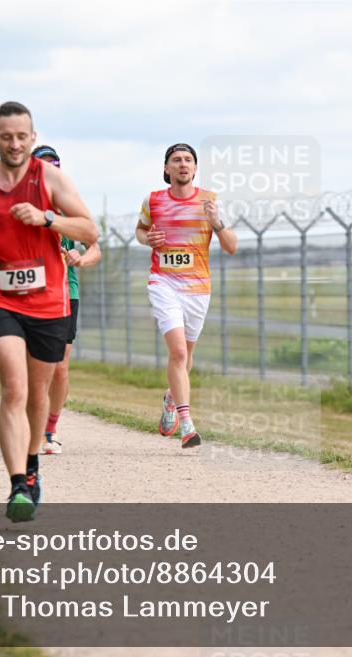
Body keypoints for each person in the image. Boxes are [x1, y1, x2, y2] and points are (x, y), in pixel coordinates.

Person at [0, 102, 98, 522]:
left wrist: (46, 218)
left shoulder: (50, 179)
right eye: (6, 136)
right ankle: (17, 483)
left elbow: (89, 230)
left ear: (32, 139)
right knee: (14, 389)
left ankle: (31, 464)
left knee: (38, 394)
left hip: (50, 301)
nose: (14, 143)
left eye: (21, 136)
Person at [136, 143, 238, 447]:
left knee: (186, 356)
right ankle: (187, 424)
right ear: (166, 168)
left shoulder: (210, 201)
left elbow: (232, 246)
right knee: (178, 352)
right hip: (163, 282)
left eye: (188, 160)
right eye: (176, 160)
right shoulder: (152, 200)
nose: (183, 164)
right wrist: (148, 239)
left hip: (197, 288)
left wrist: (217, 223)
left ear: (194, 168)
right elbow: (140, 230)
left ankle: (171, 396)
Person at [31, 144, 102, 455]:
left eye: (54, 165)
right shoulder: (19, 208)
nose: (49, 170)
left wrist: (80, 257)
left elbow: (95, 247)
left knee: (59, 366)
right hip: (29, 294)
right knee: (33, 367)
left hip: (64, 293)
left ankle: (49, 430)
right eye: (42, 166)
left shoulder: (70, 208)